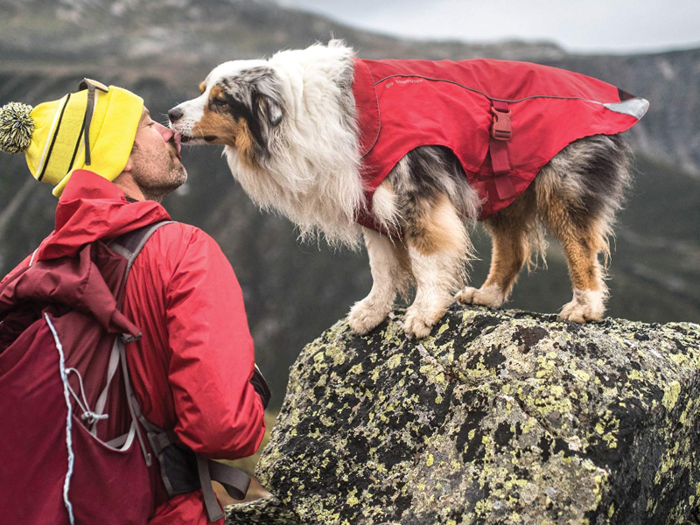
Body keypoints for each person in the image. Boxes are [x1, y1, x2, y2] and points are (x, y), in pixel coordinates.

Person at [0, 80, 267, 524]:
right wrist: (254, 389)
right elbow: (224, 429)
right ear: (118, 154)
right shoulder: (181, 250)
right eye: (146, 124)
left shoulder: (31, 271)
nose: (169, 131)